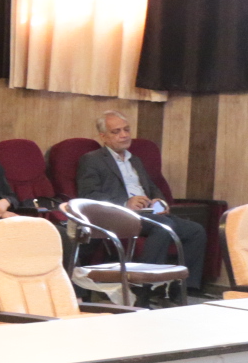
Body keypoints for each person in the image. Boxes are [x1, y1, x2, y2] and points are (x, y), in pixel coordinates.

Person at [76, 110, 207, 291]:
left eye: (126, 129)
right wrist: (125, 203)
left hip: (148, 213)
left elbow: (151, 188)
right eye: (116, 131)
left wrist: (159, 201)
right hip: (119, 216)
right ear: (103, 136)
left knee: (196, 230)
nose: (124, 135)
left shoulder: (135, 160)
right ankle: (142, 290)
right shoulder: (92, 160)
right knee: (162, 227)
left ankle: (184, 290)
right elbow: (88, 195)